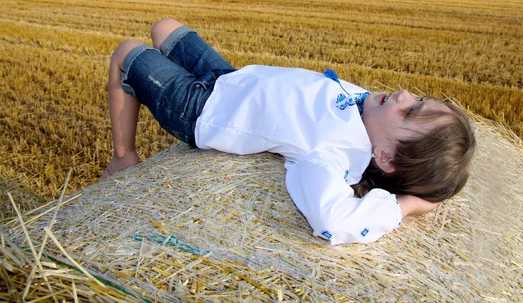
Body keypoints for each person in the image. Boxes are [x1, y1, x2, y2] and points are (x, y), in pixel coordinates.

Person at [103, 18, 476, 245]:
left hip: (202, 110)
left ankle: (123, 157)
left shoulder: (332, 154)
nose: (405, 95)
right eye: (419, 98)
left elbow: (334, 221)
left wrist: (407, 205)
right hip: (231, 80)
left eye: (410, 111)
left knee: (126, 51)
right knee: (163, 28)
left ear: (385, 158)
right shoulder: (368, 110)